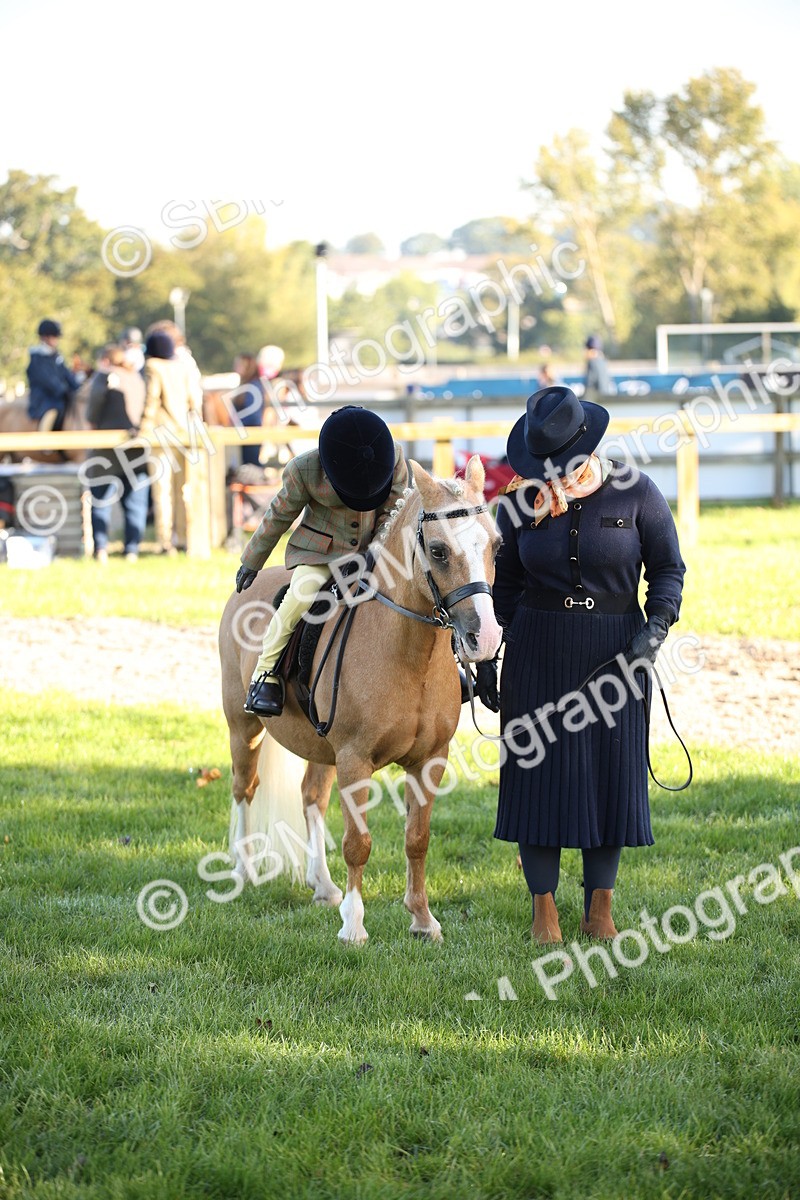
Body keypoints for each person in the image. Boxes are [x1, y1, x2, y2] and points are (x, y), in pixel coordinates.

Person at [489, 386, 685, 944]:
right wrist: (494, 650)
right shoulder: (518, 505)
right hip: (536, 650)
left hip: (618, 651)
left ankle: (601, 905)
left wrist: (656, 628)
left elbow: (669, 568)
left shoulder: (637, 493)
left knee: (611, 774)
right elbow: (502, 585)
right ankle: (543, 909)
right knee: (536, 775)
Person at [236, 405, 408, 717]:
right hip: (320, 551)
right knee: (298, 598)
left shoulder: (392, 459)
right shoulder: (304, 469)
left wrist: (379, 548)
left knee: (420, 589)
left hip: (375, 547)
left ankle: (445, 670)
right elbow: (278, 516)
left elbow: (395, 509)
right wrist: (252, 560)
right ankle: (265, 674)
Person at [84, 345, 148, 562]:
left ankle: (101, 549)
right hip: (136, 449)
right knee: (135, 503)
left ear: (105, 359)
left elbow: (92, 411)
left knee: (101, 500)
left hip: (106, 450)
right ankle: (132, 550)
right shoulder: (138, 378)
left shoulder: (103, 376)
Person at [140, 330, 196, 553]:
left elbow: (151, 399)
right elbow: (193, 399)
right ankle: (184, 538)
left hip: (160, 434)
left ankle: (165, 542)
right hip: (183, 434)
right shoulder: (183, 366)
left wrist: (143, 428)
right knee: (183, 488)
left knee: (162, 491)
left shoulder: (153, 366)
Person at [26, 319, 82, 432]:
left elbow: (67, 374)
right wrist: (63, 390)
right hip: (45, 400)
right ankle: (46, 445)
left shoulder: (56, 356)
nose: (56, 340)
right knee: (52, 414)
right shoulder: (38, 359)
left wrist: (78, 385)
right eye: (54, 337)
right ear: (45, 337)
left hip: (60, 398)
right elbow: (47, 380)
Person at [232, 353, 265, 467]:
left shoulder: (253, 386)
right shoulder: (247, 385)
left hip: (251, 431)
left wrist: (235, 422)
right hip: (246, 431)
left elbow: (253, 415)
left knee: (251, 465)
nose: (235, 367)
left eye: (239, 365)